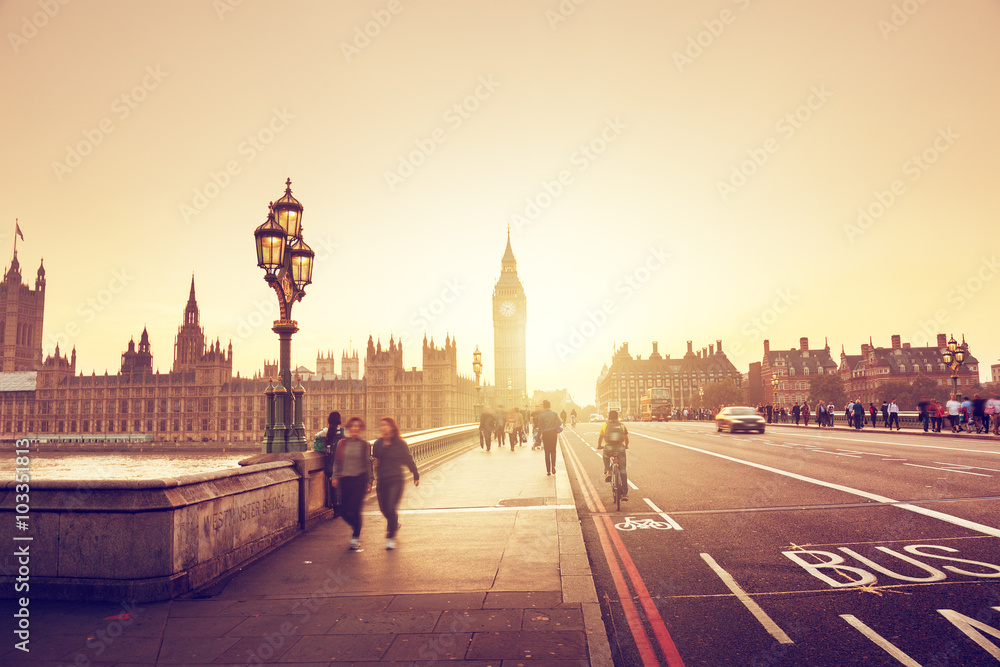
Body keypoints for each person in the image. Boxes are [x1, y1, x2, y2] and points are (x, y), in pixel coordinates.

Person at [372, 417, 419, 550]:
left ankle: (390, 537)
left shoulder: (400, 443)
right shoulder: (378, 444)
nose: (383, 428)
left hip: (396, 480)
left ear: (392, 427)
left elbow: (408, 459)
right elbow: (374, 457)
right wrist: (373, 460)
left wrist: (415, 474)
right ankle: (394, 522)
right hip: (382, 480)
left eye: (386, 425)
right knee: (384, 509)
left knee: (391, 507)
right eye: (381, 426)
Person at [332, 416, 373, 551]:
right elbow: (337, 462)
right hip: (345, 481)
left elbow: (368, 464)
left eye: (357, 426)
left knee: (355, 509)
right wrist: (335, 476)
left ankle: (355, 537)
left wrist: (369, 481)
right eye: (352, 426)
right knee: (343, 511)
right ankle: (356, 526)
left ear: (360, 429)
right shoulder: (342, 443)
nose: (355, 429)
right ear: (348, 429)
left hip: (359, 481)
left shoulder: (364, 445)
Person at [314, 411, 345, 511]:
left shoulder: (326, 431)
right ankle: (342, 506)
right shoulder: (345, 431)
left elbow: (316, 437)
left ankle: (336, 509)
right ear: (340, 420)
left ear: (329, 421)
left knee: (333, 487)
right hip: (343, 464)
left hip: (331, 464)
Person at [598, 410, 629, 501]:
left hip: (608, 448)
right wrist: (626, 446)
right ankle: (625, 494)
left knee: (605, 456)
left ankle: (608, 470)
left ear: (608, 417)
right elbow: (626, 438)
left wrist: (599, 445)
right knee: (623, 470)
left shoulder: (605, 425)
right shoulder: (622, 426)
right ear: (617, 417)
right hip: (620, 448)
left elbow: (600, 438)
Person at [537, 400, 561, 475]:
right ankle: (553, 466)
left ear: (544, 406)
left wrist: (538, 438)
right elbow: (559, 422)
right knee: (553, 451)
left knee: (547, 452)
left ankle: (548, 471)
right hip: (553, 433)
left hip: (546, 434)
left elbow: (540, 427)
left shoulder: (541, 415)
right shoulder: (554, 414)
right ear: (550, 405)